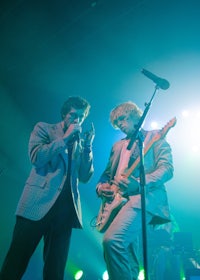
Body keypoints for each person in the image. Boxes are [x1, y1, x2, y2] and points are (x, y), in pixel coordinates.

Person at [0, 96, 95, 280]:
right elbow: (36, 157)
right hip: (36, 204)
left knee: (55, 271)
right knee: (15, 263)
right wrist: (65, 139)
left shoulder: (81, 143)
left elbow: (85, 177)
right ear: (64, 115)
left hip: (65, 212)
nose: (77, 120)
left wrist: (88, 147)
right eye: (73, 115)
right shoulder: (44, 128)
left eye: (81, 117)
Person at [96, 101, 174, 280]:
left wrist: (139, 183)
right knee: (128, 256)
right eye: (117, 123)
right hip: (118, 204)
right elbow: (106, 175)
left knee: (112, 241)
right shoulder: (117, 146)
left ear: (135, 115)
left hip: (143, 200)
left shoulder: (155, 137)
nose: (121, 125)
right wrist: (102, 188)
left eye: (123, 119)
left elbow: (167, 169)